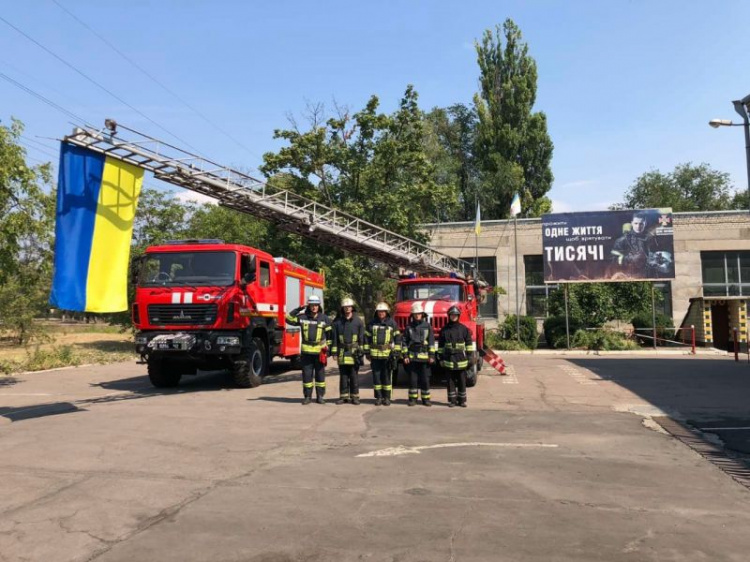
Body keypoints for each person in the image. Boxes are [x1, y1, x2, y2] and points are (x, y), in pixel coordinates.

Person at [285, 295, 331, 405]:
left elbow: (330, 334)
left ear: (319, 306)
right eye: (312, 305)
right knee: (307, 376)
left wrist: (328, 349)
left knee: (320, 376)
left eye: (316, 305)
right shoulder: (302, 317)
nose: (314, 307)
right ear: (309, 306)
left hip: (320, 352)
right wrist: (299, 308)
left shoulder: (324, 318)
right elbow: (288, 319)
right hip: (306, 353)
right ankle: (307, 397)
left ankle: (320, 396)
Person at [364, 302, 401, 406]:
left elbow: (398, 338)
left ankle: (387, 398)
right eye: (379, 311)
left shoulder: (392, 323)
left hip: (387, 356)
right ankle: (378, 397)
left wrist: (396, 353)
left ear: (386, 312)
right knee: (376, 377)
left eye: (383, 311)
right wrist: (367, 352)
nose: (381, 313)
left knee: (386, 377)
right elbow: (366, 339)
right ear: (377, 312)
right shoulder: (371, 324)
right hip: (375, 356)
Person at [437, 305, 476, 408]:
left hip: (461, 359)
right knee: (450, 381)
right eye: (452, 315)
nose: (453, 317)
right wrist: (440, 358)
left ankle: (462, 400)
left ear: (458, 316)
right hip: (449, 359)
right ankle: (452, 401)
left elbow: (468, 344)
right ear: (449, 316)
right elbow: (440, 346)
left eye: (455, 315)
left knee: (462, 381)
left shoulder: (464, 329)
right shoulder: (444, 330)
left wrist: (470, 357)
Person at [331, 297, 365, 405]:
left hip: (354, 353)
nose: (347, 309)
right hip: (342, 352)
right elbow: (334, 338)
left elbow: (361, 338)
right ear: (342, 308)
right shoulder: (337, 322)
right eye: (345, 307)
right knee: (343, 376)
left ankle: (355, 397)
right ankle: (343, 397)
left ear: (352, 308)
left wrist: (362, 352)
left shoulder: (358, 321)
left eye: (349, 307)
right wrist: (334, 353)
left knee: (354, 376)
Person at [402, 302, 435, 406]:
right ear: (412, 315)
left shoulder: (427, 326)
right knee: (412, 380)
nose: (417, 315)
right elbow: (404, 342)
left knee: (425, 379)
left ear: (422, 314)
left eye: (419, 313)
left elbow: (431, 342)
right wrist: (405, 356)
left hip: (424, 358)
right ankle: (412, 399)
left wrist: (431, 356)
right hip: (412, 358)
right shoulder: (408, 327)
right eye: (415, 314)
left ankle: (426, 399)